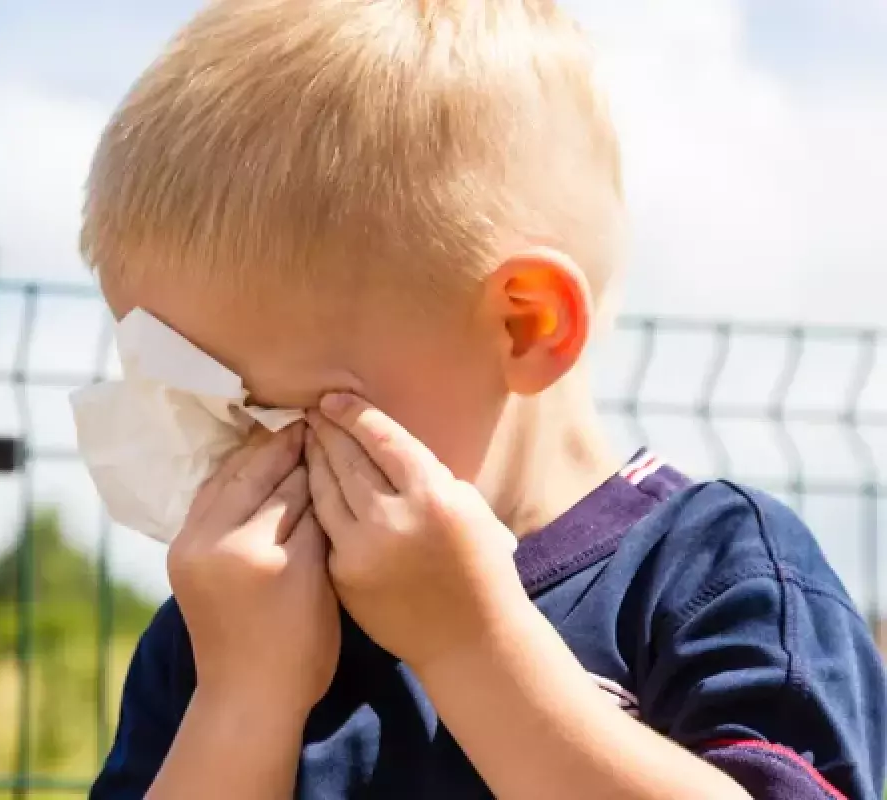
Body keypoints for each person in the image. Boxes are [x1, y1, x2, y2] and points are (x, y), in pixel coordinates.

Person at [82, 0, 887, 797]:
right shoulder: (221, 632)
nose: (237, 459)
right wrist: (240, 699)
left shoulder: (714, 572)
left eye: (271, 413)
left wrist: (473, 644)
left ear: (525, 325)